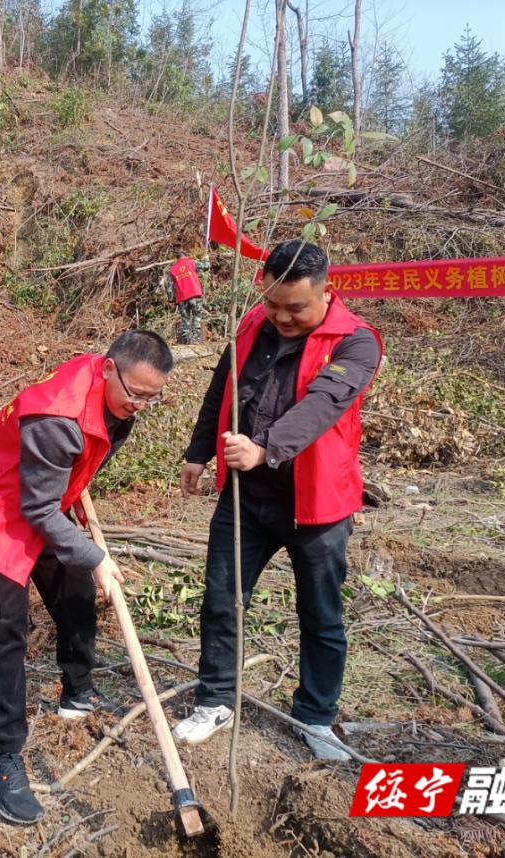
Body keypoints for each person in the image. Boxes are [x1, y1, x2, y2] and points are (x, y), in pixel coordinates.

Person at [171, 240, 381, 761]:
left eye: (296, 308)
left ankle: (315, 715)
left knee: (321, 615)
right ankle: (215, 700)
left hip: (318, 507)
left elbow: (323, 404)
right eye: (273, 304)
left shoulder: (355, 343)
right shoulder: (248, 329)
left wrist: (265, 449)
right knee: (223, 601)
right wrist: (199, 452)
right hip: (247, 498)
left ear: (327, 292)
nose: (282, 317)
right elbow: (222, 390)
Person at [0, 331, 175, 824]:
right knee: (9, 628)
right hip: (1, 503)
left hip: (46, 499)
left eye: (151, 397)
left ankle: (78, 691)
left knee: (75, 592)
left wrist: (79, 536)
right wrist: (95, 555)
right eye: (134, 394)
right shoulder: (57, 417)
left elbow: (72, 472)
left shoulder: (116, 402)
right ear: (107, 369)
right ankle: (2, 759)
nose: (139, 404)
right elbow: (34, 506)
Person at [163, 256, 208, 345]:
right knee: (197, 315)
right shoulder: (192, 262)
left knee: (185, 318)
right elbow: (206, 266)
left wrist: (171, 299)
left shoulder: (173, 269)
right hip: (194, 294)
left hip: (182, 297)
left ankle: (186, 339)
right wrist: (206, 259)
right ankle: (196, 338)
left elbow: (169, 287)